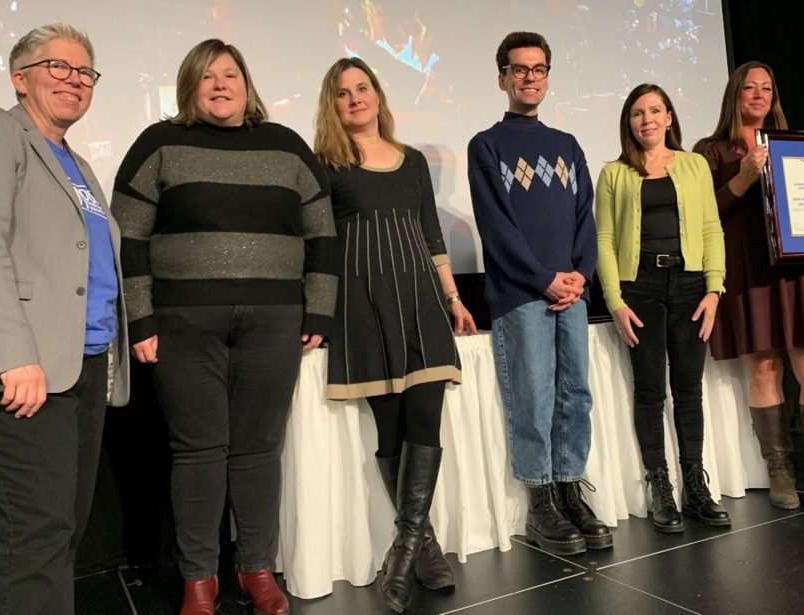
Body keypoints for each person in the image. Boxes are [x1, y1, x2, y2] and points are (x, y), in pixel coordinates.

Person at [111, 39, 336, 615]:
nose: (219, 84)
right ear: (190, 86)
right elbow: (128, 240)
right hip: (183, 325)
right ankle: (198, 581)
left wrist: (319, 310)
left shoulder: (286, 147)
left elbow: (323, 237)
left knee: (259, 450)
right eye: (206, 76)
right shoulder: (159, 144)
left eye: (229, 74)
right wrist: (139, 319)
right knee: (198, 452)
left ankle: (257, 570)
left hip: (274, 323)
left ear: (246, 84)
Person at [0, 23, 129, 615]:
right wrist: (9, 355)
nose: (74, 80)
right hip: (21, 373)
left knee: (57, 535)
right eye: (58, 67)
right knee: (32, 543)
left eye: (85, 72)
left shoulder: (74, 162)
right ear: (19, 78)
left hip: (77, 368)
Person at [313, 56, 476, 614]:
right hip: (362, 304)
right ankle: (423, 544)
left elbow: (431, 233)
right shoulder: (326, 165)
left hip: (422, 303)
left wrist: (453, 298)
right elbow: (319, 245)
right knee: (390, 426)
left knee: (425, 418)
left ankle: (402, 556)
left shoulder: (411, 163)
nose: (354, 98)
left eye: (362, 88)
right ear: (331, 104)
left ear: (378, 96)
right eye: (342, 92)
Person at [468, 31, 612, 555]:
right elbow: (497, 228)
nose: (530, 77)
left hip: (571, 292)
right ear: (502, 78)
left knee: (576, 393)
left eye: (538, 68)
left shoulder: (567, 145)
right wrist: (544, 278)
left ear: (548, 76)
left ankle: (572, 488)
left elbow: (584, 219)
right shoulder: (486, 145)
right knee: (533, 395)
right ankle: (541, 501)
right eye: (519, 69)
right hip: (522, 293)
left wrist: (578, 275)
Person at [694, 61, 804, 518]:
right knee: (764, 372)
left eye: (767, 87)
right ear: (734, 94)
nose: (759, 94)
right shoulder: (709, 150)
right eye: (750, 87)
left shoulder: (800, 145)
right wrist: (745, 173)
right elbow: (707, 213)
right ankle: (780, 472)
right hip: (752, 275)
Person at [595, 84, 729, 533]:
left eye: (655, 110)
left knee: (689, 389)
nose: (647, 119)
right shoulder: (614, 173)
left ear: (669, 117)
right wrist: (614, 301)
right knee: (651, 391)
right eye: (637, 113)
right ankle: (661, 488)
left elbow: (711, 227)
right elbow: (606, 241)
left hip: (691, 285)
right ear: (628, 122)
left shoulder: (694, 165)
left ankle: (696, 487)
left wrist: (714, 289)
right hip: (641, 287)